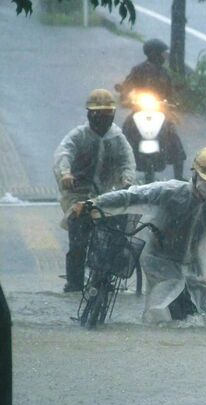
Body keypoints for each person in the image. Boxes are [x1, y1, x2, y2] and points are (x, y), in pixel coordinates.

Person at [75, 147, 206, 322]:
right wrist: (94, 203)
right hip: (159, 261)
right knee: (165, 311)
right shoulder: (170, 191)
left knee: (202, 319)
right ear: (194, 176)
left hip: (194, 269)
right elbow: (132, 195)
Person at [53, 89, 136, 293]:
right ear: (90, 114)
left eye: (107, 114)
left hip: (107, 194)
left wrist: (127, 179)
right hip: (78, 195)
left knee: (115, 234)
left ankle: (105, 278)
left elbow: (128, 161)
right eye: (99, 114)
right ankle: (74, 283)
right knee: (78, 240)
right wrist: (65, 174)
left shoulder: (117, 137)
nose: (103, 119)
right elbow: (64, 153)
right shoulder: (79, 136)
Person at [118, 38, 186, 180]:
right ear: (153, 53)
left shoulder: (164, 73)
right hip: (140, 109)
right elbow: (127, 85)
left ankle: (179, 176)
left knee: (172, 135)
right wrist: (124, 95)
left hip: (160, 111)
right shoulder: (138, 70)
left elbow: (170, 92)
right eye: (161, 53)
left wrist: (173, 101)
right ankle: (120, 169)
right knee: (126, 130)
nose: (163, 56)